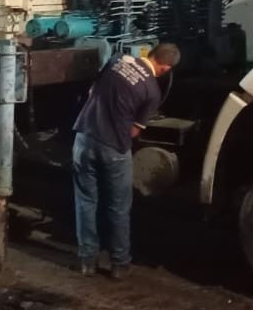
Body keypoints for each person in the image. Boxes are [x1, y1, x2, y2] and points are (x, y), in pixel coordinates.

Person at [72, 43, 180, 278]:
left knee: (86, 202)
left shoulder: (117, 60)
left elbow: (93, 89)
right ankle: (119, 264)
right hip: (113, 148)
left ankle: (87, 262)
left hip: (84, 138)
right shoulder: (152, 92)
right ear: (165, 68)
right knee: (118, 207)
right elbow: (133, 131)